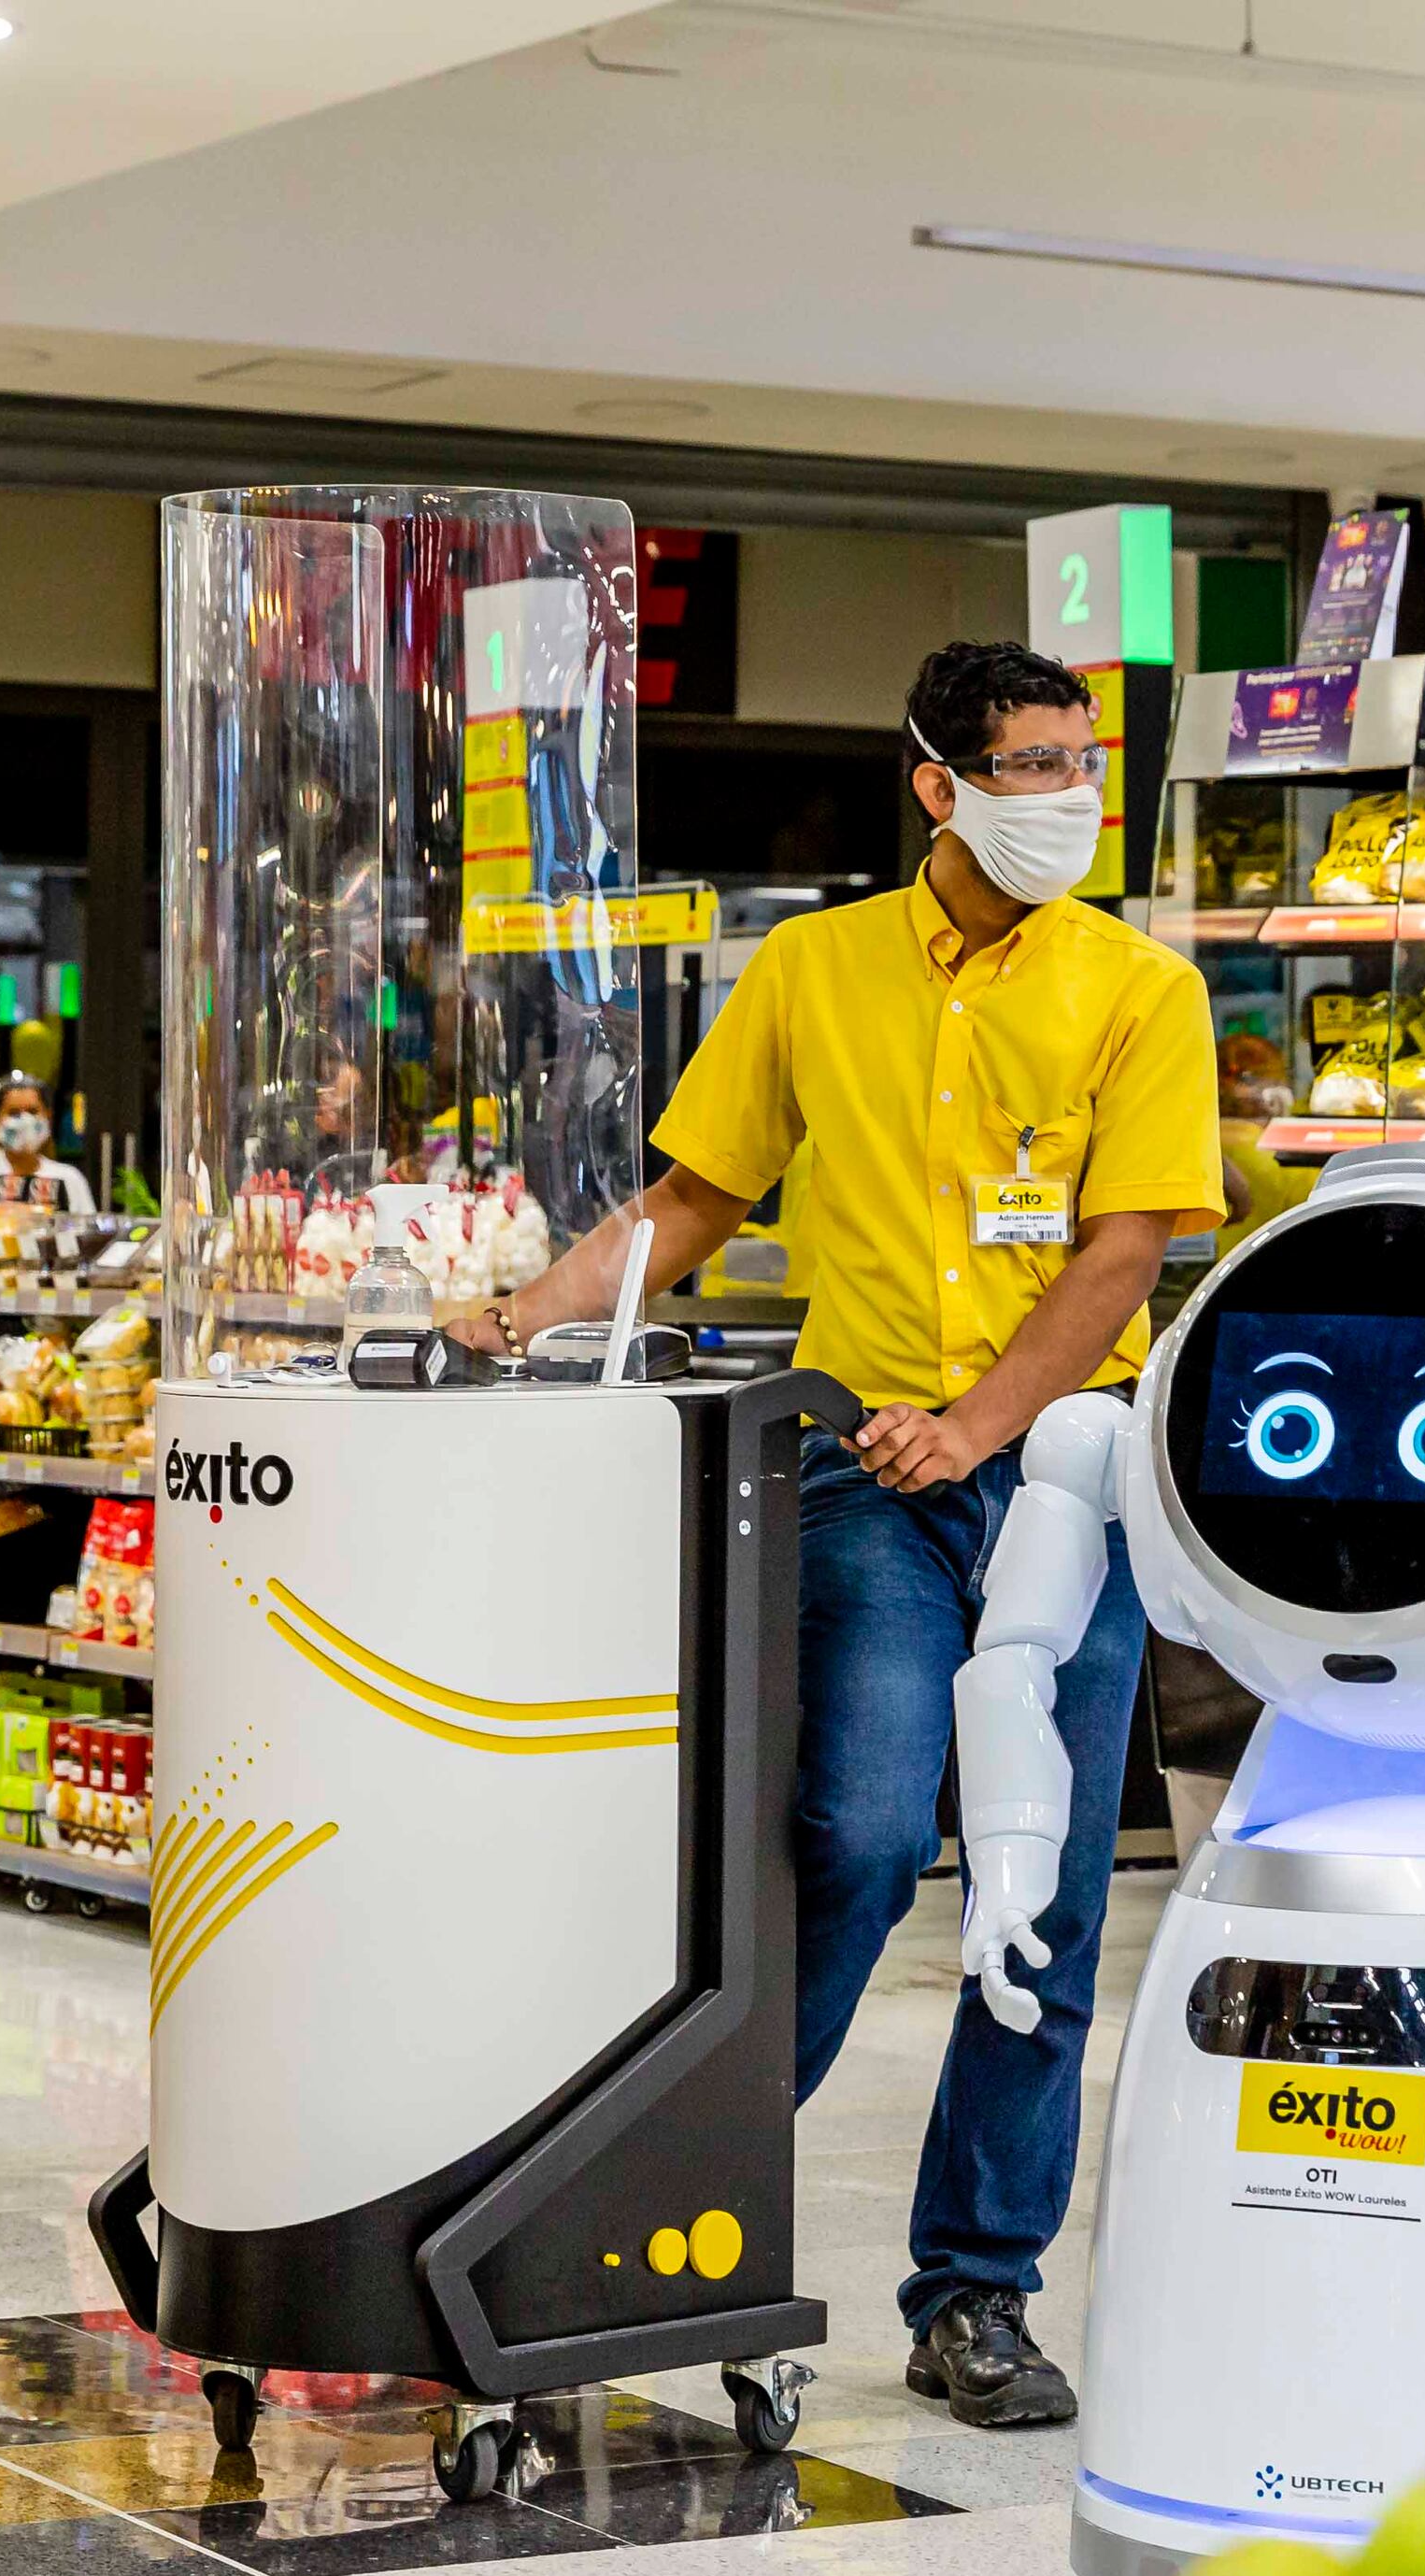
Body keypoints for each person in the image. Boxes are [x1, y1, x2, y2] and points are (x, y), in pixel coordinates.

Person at [452, 639, 1216, 2427]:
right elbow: (690, 1204)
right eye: (1027, 766)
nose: (1065, 798)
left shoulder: (1139, 990)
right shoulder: (813, 972)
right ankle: (661, 2198)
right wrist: (516, 1318)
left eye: (1080, 763)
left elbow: (1123, 1253)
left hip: (1070, 1483)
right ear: (936, 783)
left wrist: (985, 1426)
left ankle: (975, 2293)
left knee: (1041, 1896)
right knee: (855, 1833)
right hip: (870, 1480)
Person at [0, 1072, 94, 1217]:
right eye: (13, 1113)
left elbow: (87, 1231)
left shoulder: (69, 1179)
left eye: (33, 1111)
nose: (25, 1120)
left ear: (48, 1117)